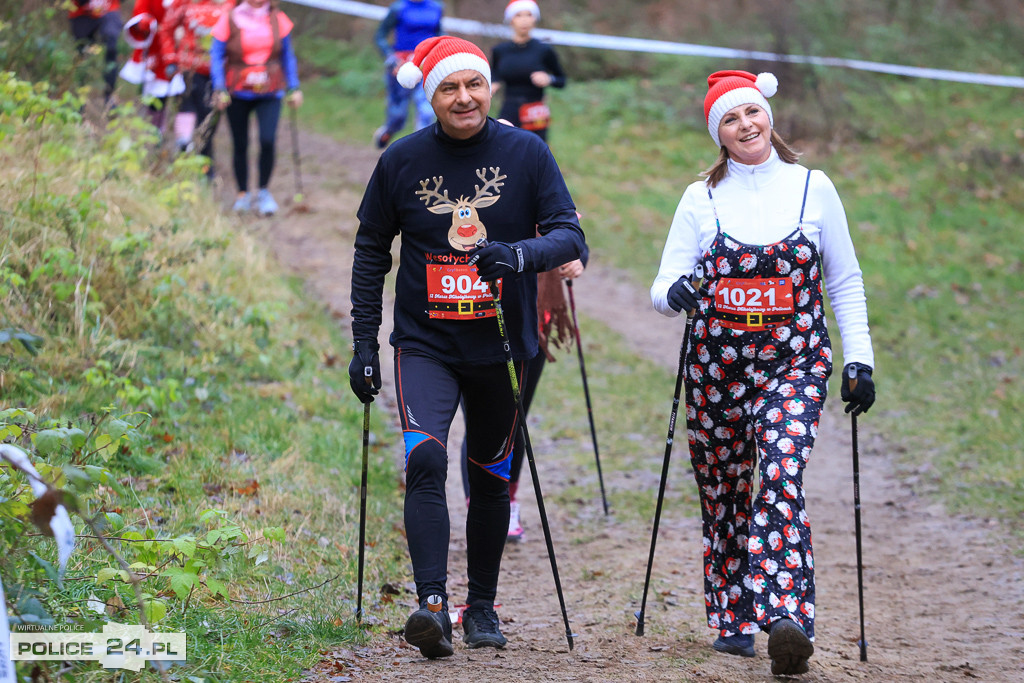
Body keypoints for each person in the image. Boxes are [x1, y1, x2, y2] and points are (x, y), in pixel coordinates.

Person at [349, 36, 585, 659]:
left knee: (488, 474)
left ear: (489, 88)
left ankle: (481, 606)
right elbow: (372, 249)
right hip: (424, 342)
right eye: (449, 88)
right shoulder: (401, 161)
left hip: (502, 347)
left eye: (473, 85)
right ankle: (431, 605)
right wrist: (363, 343)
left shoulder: (526, 153)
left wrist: (518, 256)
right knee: (424, 460)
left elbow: (570, 237)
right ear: (432, 97)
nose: (464, 97)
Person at [650, 70, 876, 676]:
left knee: (779, 472)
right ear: (716, 133)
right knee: (725, 490)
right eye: (730, 118)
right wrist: (677, 293)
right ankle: (732, 614)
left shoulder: (813, 188)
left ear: (768, 116)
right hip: (715, 370)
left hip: (794, 364)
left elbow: (844, 280)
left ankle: (785, 619)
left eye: (752, 112)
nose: (745, 125)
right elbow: (660, 289)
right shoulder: (701, 198)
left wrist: (860, 359)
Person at [209, 0, 302, 216]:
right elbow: (216, 54)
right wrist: (219, 87)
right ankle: (242, 194)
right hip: (237, 92)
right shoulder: (229, 17)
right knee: (240, 143)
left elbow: (288, 55)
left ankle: (263, 192)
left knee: (267, 141)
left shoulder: (279, 19)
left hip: (270, 91)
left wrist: (294, 87)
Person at [156, 0, 232, 178]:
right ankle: (182, 161)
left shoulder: (231, 5)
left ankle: (206, 169)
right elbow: (166, 29)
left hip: (220, 74)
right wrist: (170, 59)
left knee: (208, 121)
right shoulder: (184, 3)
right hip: (189, 70)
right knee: (186, 111)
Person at [490, 0, 566, 143]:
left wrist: (549, 79)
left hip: (535, 111)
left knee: (536, 154)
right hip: (509, 110)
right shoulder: (500, 51)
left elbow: (562, 80)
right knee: (505, 151)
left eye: (529, 15)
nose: (524, 20)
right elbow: (494, 73)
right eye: (518, 15)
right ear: (510, 19)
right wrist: (493, 84)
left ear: (535, 19)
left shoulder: (544, 50)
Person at [371, 0, 443, 149]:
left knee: (426, 110)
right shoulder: (399, 7)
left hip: (427, 64)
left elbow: (440, 33)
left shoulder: (436, 7)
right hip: (401, 66)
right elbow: (380, 36)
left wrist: (443, 51)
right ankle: (388, 131)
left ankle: (423, 150)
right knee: (398, 115)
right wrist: (392, 59)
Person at [119, 0, 187, 130]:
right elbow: (141, 11)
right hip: (156, 48)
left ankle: (183, 139)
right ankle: (154, 131)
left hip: (184, 49)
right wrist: (145, 22)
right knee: (156, 93)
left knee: (185, 97)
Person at [67, 0, 123, 106]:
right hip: (81, 12)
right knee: (81, 53)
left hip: (109, 9)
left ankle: (110, 94)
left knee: (111, 46)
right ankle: (80, 95)